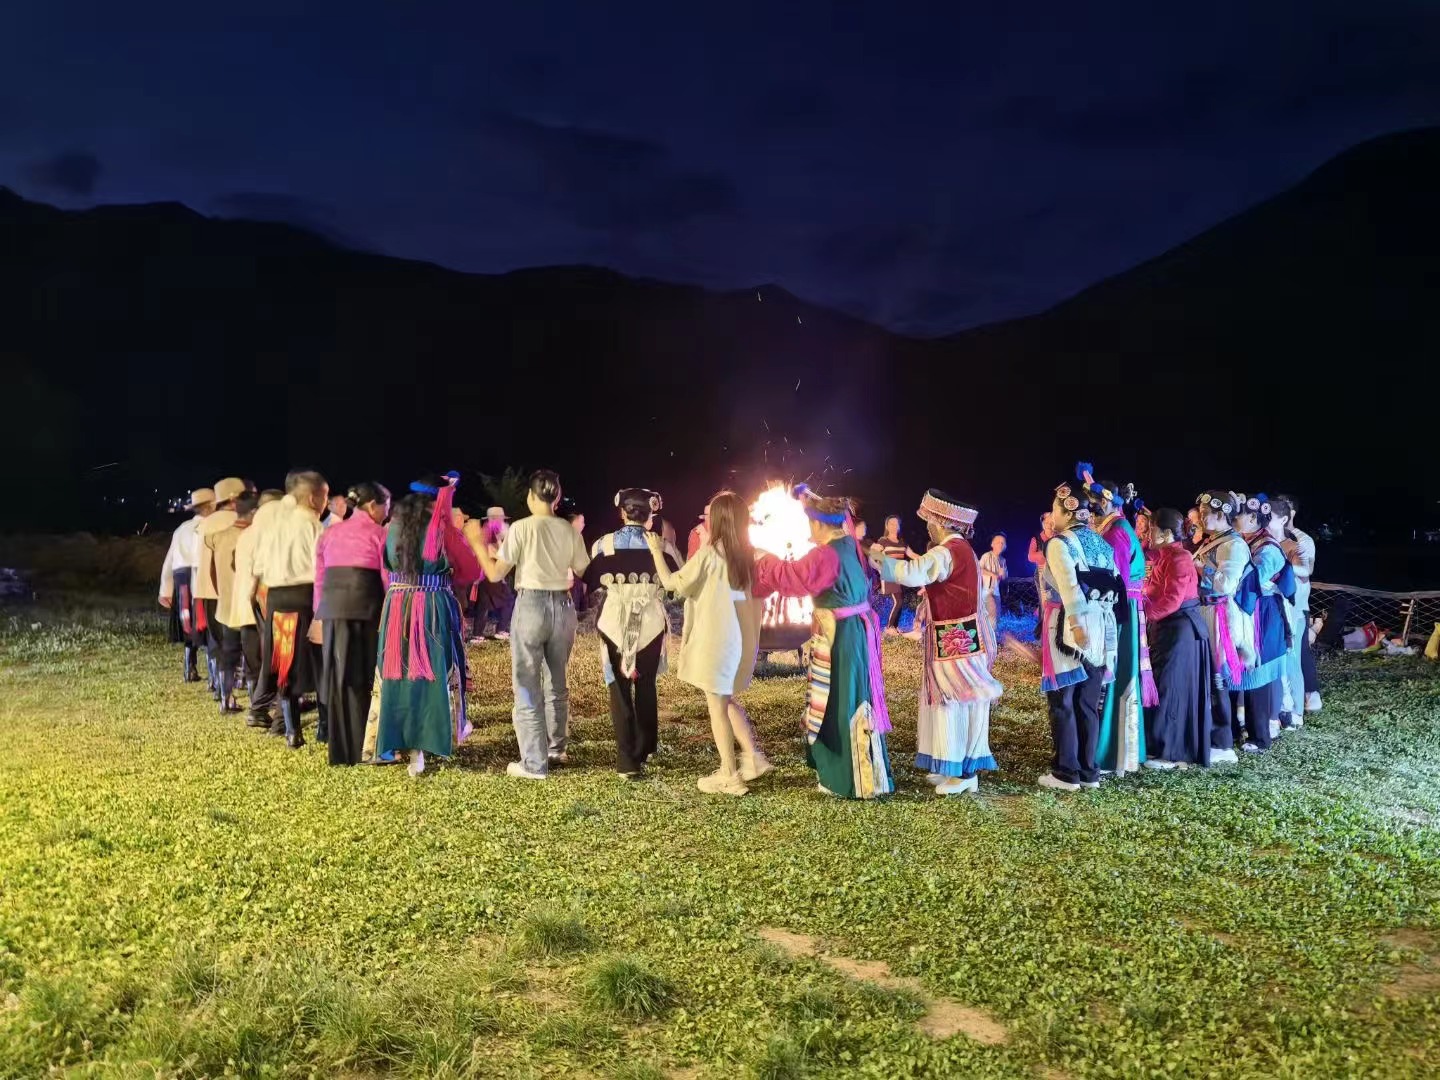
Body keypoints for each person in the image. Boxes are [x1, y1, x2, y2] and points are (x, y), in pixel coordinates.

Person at [755, 486, 893, 799]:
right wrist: (808, 497)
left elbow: (794, 578)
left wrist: (764, 560)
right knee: (848, 696)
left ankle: (848, 779)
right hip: (855, 632)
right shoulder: (848, 544)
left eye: (810, 523)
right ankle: (853, 773)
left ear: (818, 524)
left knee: (840, 700)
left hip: (841, 636)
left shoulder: (825, 554)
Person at [874, 491, 1002, 794]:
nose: (927, 527)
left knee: (956, 702)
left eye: (929, 521)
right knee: (952, 702)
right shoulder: (962, 549)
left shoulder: (948, 551)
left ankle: (963, 774)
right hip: (960, 638)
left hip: (957, 640)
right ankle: (952, 767)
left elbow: (912, 572)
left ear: (941, 522)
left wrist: (878, 558)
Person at [643, 490, 768, 795]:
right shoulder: (752, 555)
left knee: (717, 707)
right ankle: (753, 758)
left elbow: (673, 584)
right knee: (726, 700)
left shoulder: (711, 554)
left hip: (716, 641)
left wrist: (657, 551)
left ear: (719, 520)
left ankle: (729, 774)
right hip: (740, 642)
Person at [472, 470, 590, 781]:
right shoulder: (568, 530)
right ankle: (556, 748)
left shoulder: (521, 528)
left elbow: (496, 574)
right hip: (563, 606)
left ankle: (534, 763)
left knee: (526, 682)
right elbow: (583, 569)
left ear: (530, 496)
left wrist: (477, 544)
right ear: (557, 497)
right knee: (557, 680)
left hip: (532, 605)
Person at [376, 474, 480, 776]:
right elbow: (471, 570)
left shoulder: (393, 527)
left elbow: (384, 565)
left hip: (397, 606)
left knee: (399, 673)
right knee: (432, 672)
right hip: (432, 605)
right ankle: (428, 740)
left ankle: (403, 744)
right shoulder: (442, 529)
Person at [585, 488, 682, 777]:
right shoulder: (663, 547)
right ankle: (645, 745)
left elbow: (591, 582)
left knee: (618, 687)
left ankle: (626, 760)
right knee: (646, 683)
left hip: (613, 621)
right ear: (650, 516)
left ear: (622, 513)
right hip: (650, 622)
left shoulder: (603, 545)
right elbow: (675, 585)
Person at [1037, 482, 1123, 792]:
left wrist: (1076, 625)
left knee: (1063, 700)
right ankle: (1089, 771)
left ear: (1066, 511)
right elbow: (1115, 585)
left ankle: (1066, 772)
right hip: (1101, 625)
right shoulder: (1100, 542)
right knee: (1087, 702)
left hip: (1069, 627)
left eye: (1054, 510)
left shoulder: (1059, 543)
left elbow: (1070, 587)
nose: (1052, 517)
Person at [1078, 466, 1153, 776]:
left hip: (1120, 610)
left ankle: (1111, 751)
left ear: (1106, 502)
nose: (1088, 509)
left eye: (1092, 504)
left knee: (1116, 671)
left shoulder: (1117, 532)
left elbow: (1114, 579)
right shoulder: (1114, 527)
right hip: (1122, 606)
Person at [315, 482, 392, 766]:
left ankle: (341, 751)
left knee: (340, 677)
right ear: (372, 506)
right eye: (386, 506)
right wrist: (392, 613)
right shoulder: (379, 534)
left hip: (332, 611)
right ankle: (368, 748)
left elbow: (319, 578)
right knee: (366, 676)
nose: (387, 512)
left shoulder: (330, 533)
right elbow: (387, 578)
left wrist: (319, 613)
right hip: (366, 607)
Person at [252, 470, 328, 749]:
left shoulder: (273, 525)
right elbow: (323, 567)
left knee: (284, 663)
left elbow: (258, 566)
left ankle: (291, 730)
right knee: (318, 662)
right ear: (313, 498)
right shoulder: (313, 525)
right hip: (306, 596)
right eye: (325, 497)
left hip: (276, 598)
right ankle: (324, 727)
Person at [1141, 509, 1212, 768]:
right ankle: (1159, 744)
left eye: (1152, 530)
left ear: (1166, 533)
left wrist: (1145, 615)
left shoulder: (1180, 557)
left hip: (1179, 628)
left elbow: (1172, 600)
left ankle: (1169, 752)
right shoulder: (1165, 556)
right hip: (1168, 627)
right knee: (1163, 683)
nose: (1148, 535)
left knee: (1171, 688)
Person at [1192, 491, 1250, 765]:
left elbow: (1227, 584)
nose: (1201, 518)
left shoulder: (1233, 545)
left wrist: (1201, 568)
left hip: (1219, 614)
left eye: (1206, 514)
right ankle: (1211, 735)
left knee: (1217, 676)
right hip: (1205, 611)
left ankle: (1223, 741)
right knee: (1208, 675)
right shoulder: (1215, 541)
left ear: (1221, 514)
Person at [1234, 495, 1295, 752]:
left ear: (1252, 518)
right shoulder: (1247, 541)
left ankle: (1260, 736)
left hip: (1262, 611)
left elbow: (1250, 582)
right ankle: (1242, 728)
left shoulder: (1268, 548)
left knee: (1258, 671)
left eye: (1237, 515)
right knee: (1243, 668)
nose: (1233, 519)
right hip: (1251, 608)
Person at [236, 490, 285, 732]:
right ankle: (278, 714)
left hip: (251, 603)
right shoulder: (273, 532)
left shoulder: (247, 534)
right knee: (280, 657)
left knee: (267, 659)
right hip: (270, 598)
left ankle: (263, 709)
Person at [196, 478, 246, 703]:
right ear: (234, 499)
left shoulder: (204, 524)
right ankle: (239, 687)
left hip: (207, 591)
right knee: (237, 642)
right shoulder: (239, 522)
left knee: (216, 643)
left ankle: (219, 689)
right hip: (232, 590)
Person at [158, 486, 215, 683]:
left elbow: (169, 560)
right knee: (206, 622)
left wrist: (165, 590)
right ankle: (213, 675)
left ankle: (189, 667)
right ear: (210, 507)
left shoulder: (181, 529)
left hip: (181, 577)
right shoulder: (210, 527)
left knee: (188, 623)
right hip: (201, 576)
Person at [210, 490, 259, 716]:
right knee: (252, 656)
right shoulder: (253, 536)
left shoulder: (218, 536)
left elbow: (212, 570)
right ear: (253, 512)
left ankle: (225, 699)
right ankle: (256, 703)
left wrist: (221, 592)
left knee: (228, 653)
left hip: (225, 603)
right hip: (248, 604)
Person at [1278, 494, 1321, 716]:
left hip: (1298, 603)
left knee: (1300, 649)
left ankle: (1311, 696)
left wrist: (1281, 567)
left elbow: (1307, 569)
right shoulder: (1274, 537)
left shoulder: (1302, 540)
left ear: (1290, 513)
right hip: (1281, 602)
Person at [470, 508, 514, 642]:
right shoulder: (493, 532)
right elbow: (500, 553)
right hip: (492, 570)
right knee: (508, 600)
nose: (502, 521)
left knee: (483, 604)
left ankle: (477, 634)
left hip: (484, 572)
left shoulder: (485, 531)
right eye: (500, 518)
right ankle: (501, 630)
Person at [876, 515, 911, 634]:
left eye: (896, 524)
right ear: (887, 526)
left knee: (900, 600)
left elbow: (912, 554)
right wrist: (881, 569)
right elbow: (874, 556)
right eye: (891, 523)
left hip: (900, 575)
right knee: (898, 600)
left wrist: (926, 559)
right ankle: (889, 627)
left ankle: (894, 626)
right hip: (890, 574)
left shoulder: (902, 542)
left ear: (899, 526)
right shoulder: (883, 541)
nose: (894, 526)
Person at [978, 531, 1008, 631]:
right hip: (986, 590)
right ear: (992, 544)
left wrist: (1003, 574)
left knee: (997, 616)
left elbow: (1004, 578)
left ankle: (993, 635)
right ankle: (990, 636)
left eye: (1003, 543)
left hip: (996, 591)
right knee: (992, 611)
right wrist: (992, 574)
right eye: (998, 542)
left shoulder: (1003, 560)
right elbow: (978, 569)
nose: (1000, 544)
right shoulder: (986, 556)